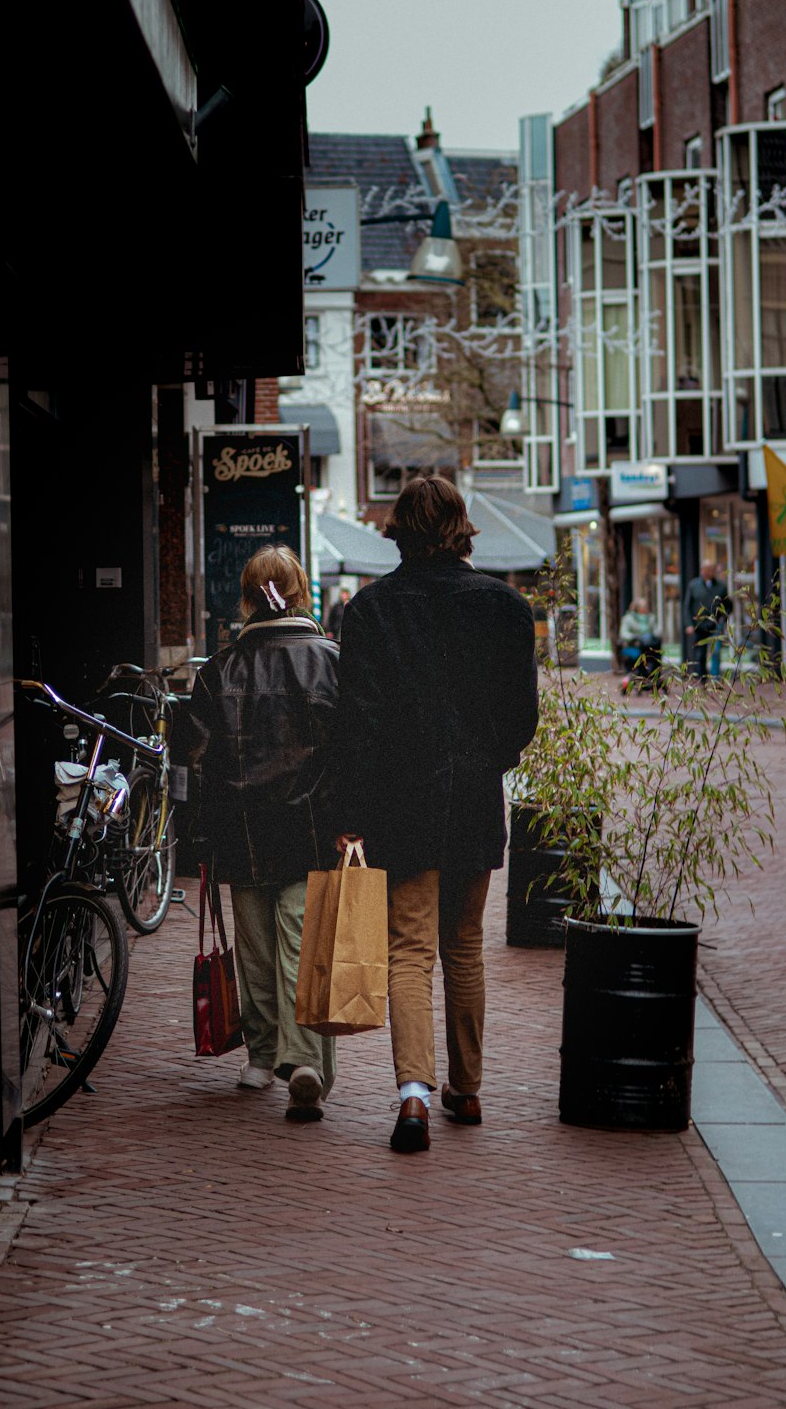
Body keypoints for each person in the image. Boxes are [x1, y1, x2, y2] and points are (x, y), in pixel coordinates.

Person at [335, 476, 539, 1153]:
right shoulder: (506, 608)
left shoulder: (369, 611)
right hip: (475, 798)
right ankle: (468, 1087)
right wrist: (487, 762)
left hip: (401, 801)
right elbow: (521, 719)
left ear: (399, 529)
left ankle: (414, 1096)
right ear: (461, 526)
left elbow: (356, 725)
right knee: (464, 947)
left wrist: (355, 810)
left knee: (409, 949)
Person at [186, 546, 338, 1122]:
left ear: (247, 598)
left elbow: (195, 763)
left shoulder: (218, 670)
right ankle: (303, 1060)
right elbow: (351, 754)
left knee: (254, 949)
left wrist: (198, 841)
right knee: (301, 948)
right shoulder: (331, 661)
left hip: (240, 832)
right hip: (313, 833)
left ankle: (260, 1056)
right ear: (301, 591)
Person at [683, 560, 731, 682]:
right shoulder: (694, 585)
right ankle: (702, 678)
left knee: (715, 651)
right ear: (701, 570)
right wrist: (688, 624)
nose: (708, 572)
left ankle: (715, 678)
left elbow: (729, 605)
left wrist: (723, 618)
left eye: (711, 570)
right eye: (706, 569)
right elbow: (687, 606)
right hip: (699, 625)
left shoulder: (721, 587)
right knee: (700, 654)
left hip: (715, 625)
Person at [619, 598, 663, 693]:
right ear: (637, 608)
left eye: (646, 607)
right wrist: (635, 637)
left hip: (650, 646)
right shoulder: (628, 618)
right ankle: (643, 677)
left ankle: (653, 677)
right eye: (643, 607)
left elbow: (657, 631)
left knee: (656, 653)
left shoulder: (651, 618)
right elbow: (623, 633)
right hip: (634, 646)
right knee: (641, 651)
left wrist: (655, 635)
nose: (645, 609)